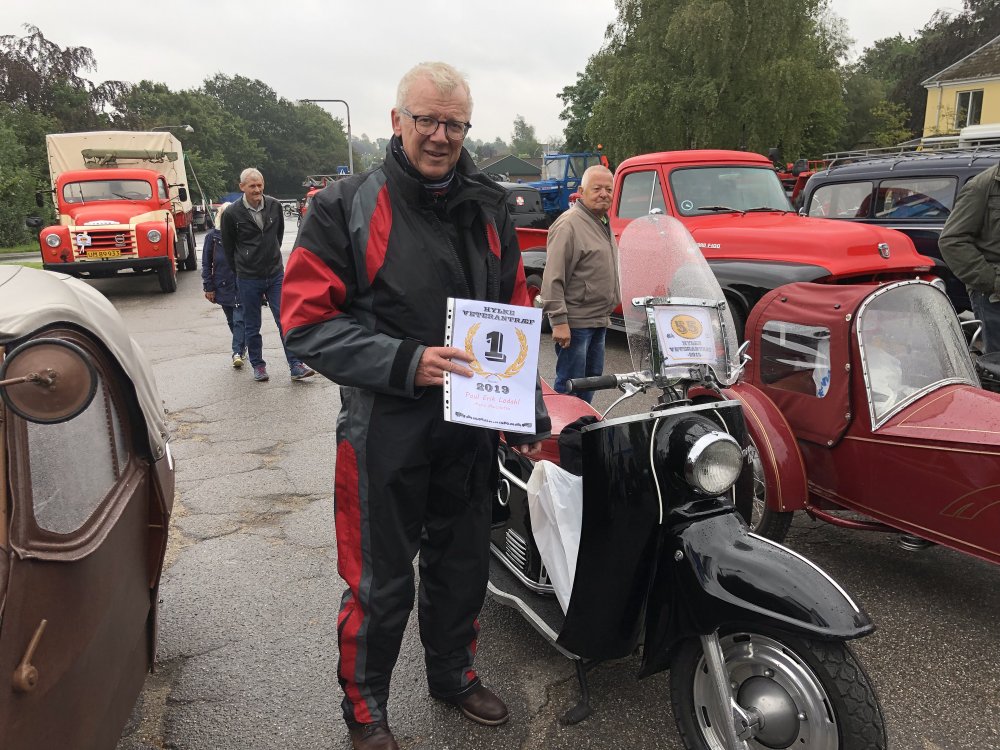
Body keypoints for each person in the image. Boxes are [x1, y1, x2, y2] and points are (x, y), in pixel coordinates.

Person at [280, 61, 550, 750]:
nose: (440, 135)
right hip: (385, 427)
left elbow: (514, 309)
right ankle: (366, 708)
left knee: (463, 565)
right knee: (379, 582)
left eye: (454, 124)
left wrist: (525, 411)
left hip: (470, 425)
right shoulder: (343, 206)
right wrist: (408, 362)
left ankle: (453, 674)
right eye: (427, 120)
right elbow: (306, 323)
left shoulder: (489, 206)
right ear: (397, 121)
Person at [220, 168, 315, 382]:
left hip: (274, 274)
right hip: (248, 277)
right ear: (242, 187)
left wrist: (271, 256)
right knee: (252, 325)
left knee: (285, 320)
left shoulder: (274, 205)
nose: (257, 190)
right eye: (252, 186)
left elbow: (277, 237)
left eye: (259, 185)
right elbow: (229, 247)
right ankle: (258, 365)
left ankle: (296, 365)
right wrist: (243, 269)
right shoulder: (232, 213)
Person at [540, 165, 620, 402]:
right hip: (576, 323)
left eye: (608, 189)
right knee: (570, 383)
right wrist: (559, 322)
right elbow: (553, 276)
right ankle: (565, 425)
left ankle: (583, 422)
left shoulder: (601, 221)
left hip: (598, 319)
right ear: (582, 192)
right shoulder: (569, 224)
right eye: (597, 189)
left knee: (592, 379)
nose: (604, 194)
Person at [939, 162, 1000, 352]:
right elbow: (952, 240)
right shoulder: (982, 186)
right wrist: (994, 281)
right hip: (993, 298)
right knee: (996, 362)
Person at [201, 203, 247, 368]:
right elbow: (206, 264)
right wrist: (208, 287)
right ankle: (242, 344)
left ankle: (237, 352)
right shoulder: (212, 238)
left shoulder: (243, 235)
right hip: (222, 285)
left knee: (239, 319)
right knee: (231, 320)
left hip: (242, 283)